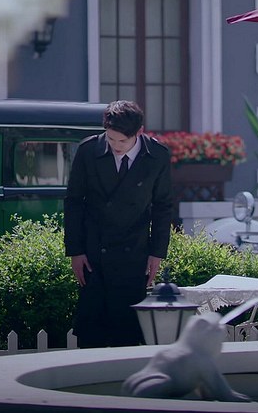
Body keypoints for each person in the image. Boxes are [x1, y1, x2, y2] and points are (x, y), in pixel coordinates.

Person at [65, 100, 173, 348]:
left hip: (134, 250)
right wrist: (75, 251)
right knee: (91, 332)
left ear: (139, 132)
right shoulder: (89, 150)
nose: (115, 146)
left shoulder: (157, 156)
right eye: (110, 138)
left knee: (127, 332)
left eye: (122, 141)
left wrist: (157, 253)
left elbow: (163, 206)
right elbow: (73, 202)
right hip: (94, 251)